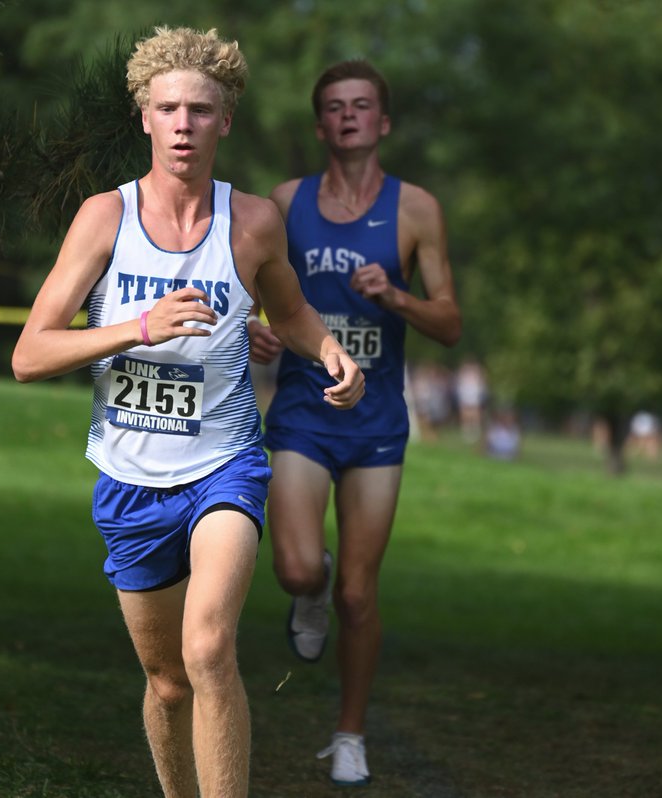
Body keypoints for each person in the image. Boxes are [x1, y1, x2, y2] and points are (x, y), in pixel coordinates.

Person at [11, 27, 364, 798]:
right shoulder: (104, 219)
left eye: (200, 110)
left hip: (224, 467)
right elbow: (29, 354)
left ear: (225, 122)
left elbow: (293, 313)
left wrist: (329, 352)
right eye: (167, 107)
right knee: (168, 681)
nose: (182, 124)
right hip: (129, 480)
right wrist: (139, 327)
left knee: (208, 649)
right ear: (143, 116)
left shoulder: (253, 224)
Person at [247, 59, 461, 787]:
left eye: (362, 105)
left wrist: (396, 299)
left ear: (383, 122)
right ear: (319, 125)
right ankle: (310, 590)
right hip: (304, 412)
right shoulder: (284, 202)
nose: (348, 116)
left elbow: (452, 322)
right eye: (335, 107)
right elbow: (254, 293)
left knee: (360, 595)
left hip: (376, 424)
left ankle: (349, 733)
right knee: (301, 567)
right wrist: (258, 328)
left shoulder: (416, 210)